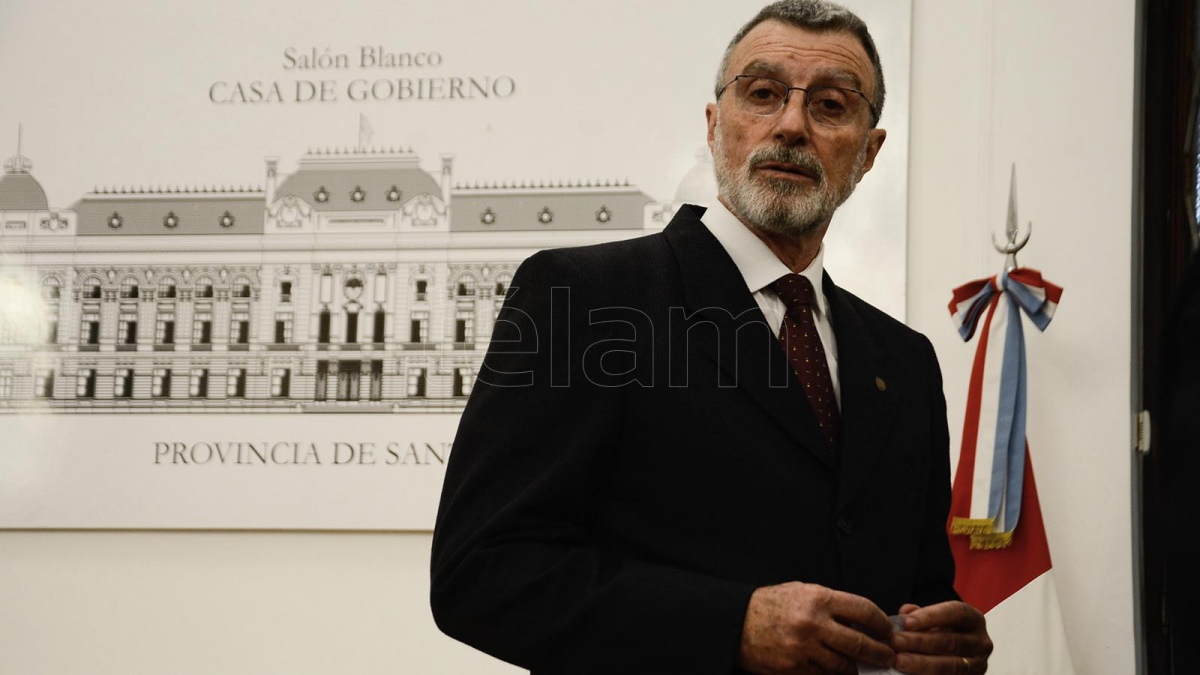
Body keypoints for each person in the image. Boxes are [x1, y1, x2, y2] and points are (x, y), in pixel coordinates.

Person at [430, 1, 994, 673]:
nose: (790, 125)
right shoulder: (582, 296)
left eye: (832, 105)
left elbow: (914, 587)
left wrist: (940, 639)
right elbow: (482, 573)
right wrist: (735, 624)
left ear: (869, 153)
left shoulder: (904, 361)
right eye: (761, 94)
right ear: (714, 123)